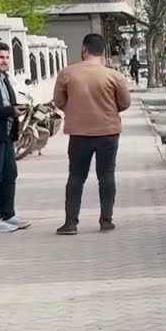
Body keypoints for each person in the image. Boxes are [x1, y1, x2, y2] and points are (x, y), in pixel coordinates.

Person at [53, 33, 132, 235]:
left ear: (83, 49)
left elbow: (59, 102)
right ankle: (106, 220)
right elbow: (124, 103)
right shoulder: (114, 76)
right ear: (103, 51)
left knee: (76, 177)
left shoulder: (67, 74)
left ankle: (70, 223)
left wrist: (75, 109)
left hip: (78, 134)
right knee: (106, 176)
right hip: (108, 132)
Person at [0, 41, 28, 233]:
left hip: (6, 134)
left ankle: (8, 214)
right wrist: (9, 110)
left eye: (7, 57)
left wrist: (16, 109)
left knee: (9, 174)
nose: (4, 61)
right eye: (0, 57)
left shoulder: (4, 78)